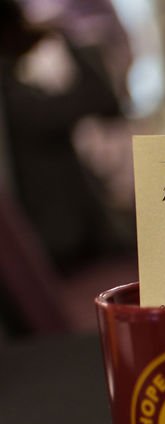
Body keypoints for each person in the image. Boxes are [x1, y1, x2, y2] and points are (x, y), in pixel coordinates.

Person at [0, 0, 122, 275]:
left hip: (72, 223)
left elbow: (104, 99)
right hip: (53, 230)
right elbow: (91, 99)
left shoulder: (36, 55)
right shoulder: (12, 82)